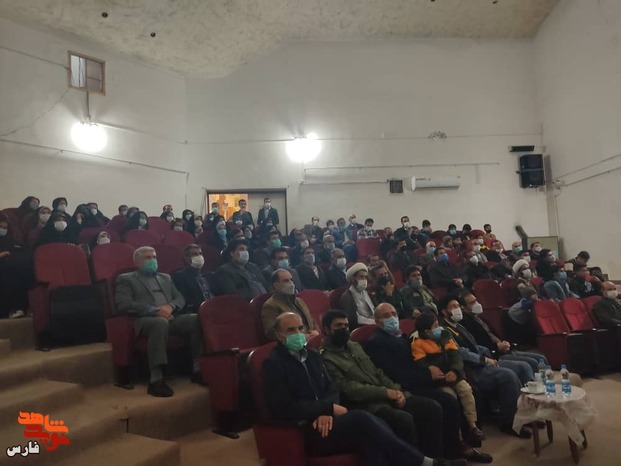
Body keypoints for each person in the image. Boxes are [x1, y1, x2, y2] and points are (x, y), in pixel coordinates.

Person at [263, 312, 465, 466]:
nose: (298, 334)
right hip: (309, 428)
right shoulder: (274, 364)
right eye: (291, 330)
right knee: (363, 419)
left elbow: (331, 388)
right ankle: (423, 462)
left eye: (301, 328)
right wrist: (324, 409)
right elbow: (283, 406)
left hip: (329, 419)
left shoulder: (312, 356)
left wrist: (326, 409)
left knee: (370, 438)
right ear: (279, 335)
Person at [364, 303, 491, 462]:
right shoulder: (377, 342)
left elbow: (421, 359)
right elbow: (396, 373)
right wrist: (428, 374)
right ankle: (446, 454)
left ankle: (466, 443)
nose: (392, 318)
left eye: (394, 313)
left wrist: (443, 370)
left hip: (421, 378)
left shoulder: (401, 336)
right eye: (386, 316)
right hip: (408, 385)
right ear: (377, 321)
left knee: (473, 392)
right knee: (445, 403)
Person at [321, 311, 449, 459]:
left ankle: (436, 460)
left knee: (431, 408)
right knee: (403, 419)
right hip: (368, 404)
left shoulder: (354, 346)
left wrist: (397, 391)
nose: (344, 329)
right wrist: (385, 393)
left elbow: (377, 372)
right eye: (338, 326)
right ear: (326, 330)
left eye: (346, 325)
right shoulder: (326, 357)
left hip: (388, 395)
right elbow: (348, 389)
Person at [115, 246, 203, 396]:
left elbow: (179, 298)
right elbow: (124, 304)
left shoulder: (165, 277)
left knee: (196, 318)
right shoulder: (126, 279)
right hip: (144, 319)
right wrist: (155, 311)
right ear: (136, 262)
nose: (152, 260)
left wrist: (171, 306)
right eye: (148, 258)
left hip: (170, 316)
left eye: (154, 257)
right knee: (160, 323)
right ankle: (156, 379)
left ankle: (198, 369)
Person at [437, 295, 529, 438]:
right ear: (444, 311)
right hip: (470, 369)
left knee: (522, 367)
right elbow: (461, 353)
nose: (458, 309)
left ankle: (527, 414)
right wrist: (483, 359)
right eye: (453, 307)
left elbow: (474, 346)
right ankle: (509, 422)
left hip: (481, 362)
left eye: (458, 306)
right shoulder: (444, 331)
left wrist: (487, 353)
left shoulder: (459, 326)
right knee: (508, 376)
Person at [411, 312, 485, 447]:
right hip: (439, 379)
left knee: (466, 390)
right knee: (451, 398)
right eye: (435, 326)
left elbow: (456, 356)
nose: (439, 328)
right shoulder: (417, 343)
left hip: (454, 374)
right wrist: (441, 372)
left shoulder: (445, 335)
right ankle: (458, 438)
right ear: (427, 331)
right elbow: (423, 364)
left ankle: (472, 425)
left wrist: (455, 370)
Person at [459, 291, 545, 384]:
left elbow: (493, 335)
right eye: (472, 303)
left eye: (476, 301)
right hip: (493, 355)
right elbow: (478, 345)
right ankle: (532, 390)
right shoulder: (466, 323)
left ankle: (542, 386)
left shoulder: (480, 319)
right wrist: (496, 347)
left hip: (504, 349)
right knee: (526, 365)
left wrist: (504, 343)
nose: (476, 304)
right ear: (463, 307)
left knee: (540, 358)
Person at [261, 269, 319, 340]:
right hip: (294, 343)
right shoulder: (270, 305)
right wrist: (301, 337)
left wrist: (316, 331)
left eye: (291, 280)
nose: (291, 283)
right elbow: (272, 333)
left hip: (312, 339)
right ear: (276, 285)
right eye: (286, 281)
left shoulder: (299, 301)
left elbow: (312, 321)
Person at [0, 215, 32, 319]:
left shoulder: (10, 240)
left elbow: (21, 250)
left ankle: (19, 309)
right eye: (0, 227)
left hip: (10, 269)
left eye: (5, 228)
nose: (2, 230)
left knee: (21, 272)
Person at [172, 244, 217, 313]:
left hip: (215, 307)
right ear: (186, 258)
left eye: (200, 254)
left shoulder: (209, 275)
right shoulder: (179, 276)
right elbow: (185, 299)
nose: (199, 256)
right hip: (196, 310)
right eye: (195, 254)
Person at [339, 263, 375, 328]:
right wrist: (374, 322)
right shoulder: (347, 297)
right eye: (361, 277)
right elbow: (353, 319)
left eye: (365, 277)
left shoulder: (367, 293)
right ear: (353, 279)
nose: (364, 280)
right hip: (362, 327)